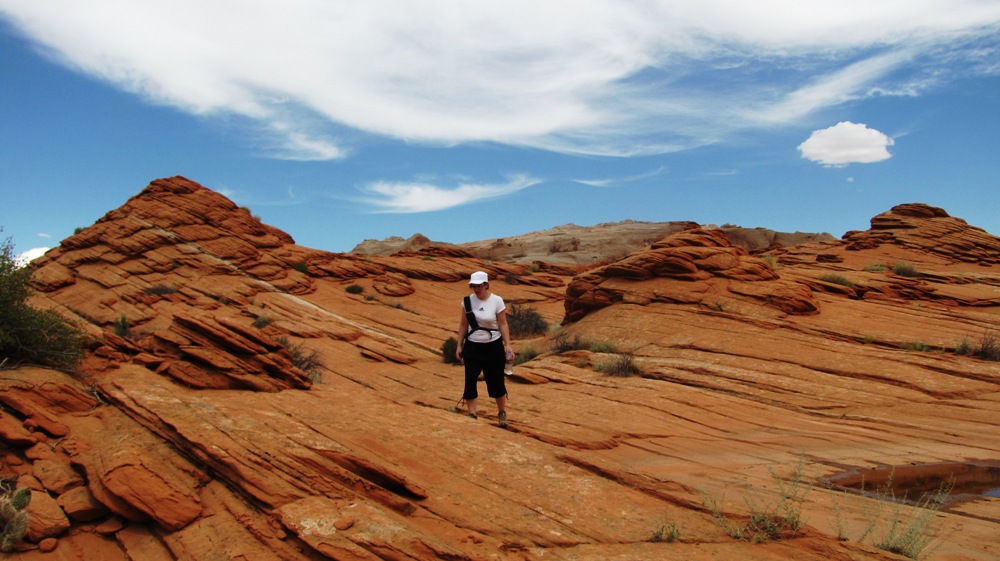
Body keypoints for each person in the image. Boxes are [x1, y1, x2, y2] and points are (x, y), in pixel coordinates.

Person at [455, 271, 514, 427]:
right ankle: (472, 415)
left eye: (479, 286)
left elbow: (503, 324)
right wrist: (459, 345)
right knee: (470, 380)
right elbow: (463, 324)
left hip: (493, 346)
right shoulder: (467, 301)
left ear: (486, 285)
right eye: (473, 286)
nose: (476, 289)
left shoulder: (497, 301)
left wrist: (508, 345)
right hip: (473, 347)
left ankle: (502, 413)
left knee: (496, 381)